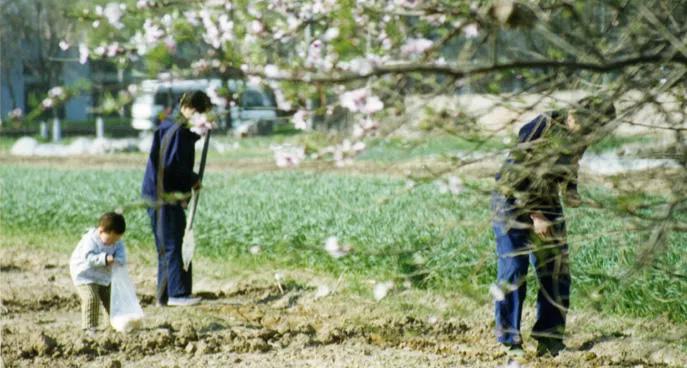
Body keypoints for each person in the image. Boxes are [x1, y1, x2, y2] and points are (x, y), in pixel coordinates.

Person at [491, 97, 615, 356]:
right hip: (512, 200)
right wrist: (536, 215)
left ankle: (549, 339)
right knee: (514, 269)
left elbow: (571, 164)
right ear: (574, 114)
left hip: (546, 199)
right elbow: (517, 174)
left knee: (556, 269)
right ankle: (509, 341)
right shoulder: (541, 127)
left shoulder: (581, 133)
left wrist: (571, 190)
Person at [141, 90, 212, 307]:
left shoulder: (174, 128)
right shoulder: (176, 131)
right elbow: (171, 165)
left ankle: (165, 295)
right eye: (202, 115)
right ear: (191, 108)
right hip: (163, 196)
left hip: (162, 194)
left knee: (167, 245)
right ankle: (177, 293)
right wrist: (192, 179)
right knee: (172, 244)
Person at [70, 212, 127, 335]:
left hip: (103, 276)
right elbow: (89, 258)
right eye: (110, 239)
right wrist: (105, 258)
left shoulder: (117, 242)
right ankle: (89, 328)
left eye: (116, 240)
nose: (113, 243)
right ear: (101, 231)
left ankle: (113, 325)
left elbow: (121, 255)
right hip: (84, 275)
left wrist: (119, 261)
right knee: (91, 298)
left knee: (111, 299)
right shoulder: (91, 240)